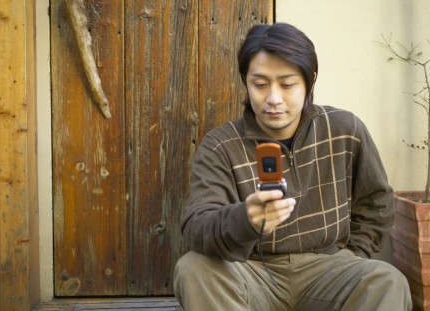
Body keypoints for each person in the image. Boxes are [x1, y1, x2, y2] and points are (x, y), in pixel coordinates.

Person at [173, 22, 412, 311]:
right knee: (193, 268)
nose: (273, 99)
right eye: (260, 84)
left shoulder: (345, 128)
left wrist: (355, 254)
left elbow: (376, 202)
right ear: (245, 81)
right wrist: (244, 219)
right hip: (251, 271)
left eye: (287, 84)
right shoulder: (220, 145)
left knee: (387, 280)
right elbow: (197, 226)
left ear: (310, 81)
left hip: (330, 267)